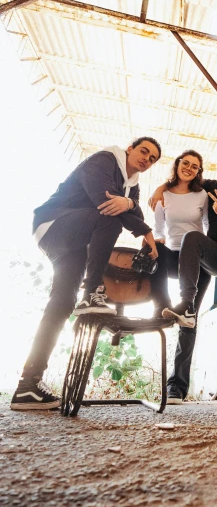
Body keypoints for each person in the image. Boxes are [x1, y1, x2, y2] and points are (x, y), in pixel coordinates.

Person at [11, 137, 161, 411]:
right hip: (53, 225)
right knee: (110, 213)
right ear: (129, 148)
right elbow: (104, 201)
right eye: (143, 151)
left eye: (152, 159)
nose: (146, 159)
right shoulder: (103, 161)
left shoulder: (132, 186)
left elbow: (132, 207)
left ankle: (27, 386)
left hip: (76, 243)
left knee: (61, 303)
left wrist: (129, 205)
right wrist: (145, 230)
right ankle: (92, 292)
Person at [151, 154, 217, 404]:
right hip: (212, 257)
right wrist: (160, 189)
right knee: (193, 237)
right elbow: (183, 181)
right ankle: (186, 306)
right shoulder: (211, 187)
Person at [151, 150, 212, 404]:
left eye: (194, 166)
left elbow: (207, 226)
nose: (189, 168)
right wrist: (160, 188)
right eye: (185, 163)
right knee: (153, 250)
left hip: (196, 262)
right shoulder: (162, 194)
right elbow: (158, 231)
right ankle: (161, 307)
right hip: (170, 256)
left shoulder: (203, 195)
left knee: (189, 321)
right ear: (177, 165)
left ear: (199, 171)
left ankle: (176, 386)